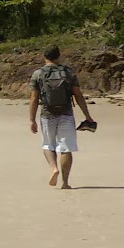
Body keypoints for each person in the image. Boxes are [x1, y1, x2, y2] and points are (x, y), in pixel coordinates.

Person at [29, 46, 95, 190]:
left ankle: (54, 168)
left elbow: (34, 99)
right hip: (66, 114)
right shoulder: (68, 72)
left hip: (47, 114)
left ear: (44, 56)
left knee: (48, 145)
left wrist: (32, 120)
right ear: (58, 56)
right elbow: (78, 95)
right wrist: (87, 116)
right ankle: (65, 183)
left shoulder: (38, 74)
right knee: (66, 148)